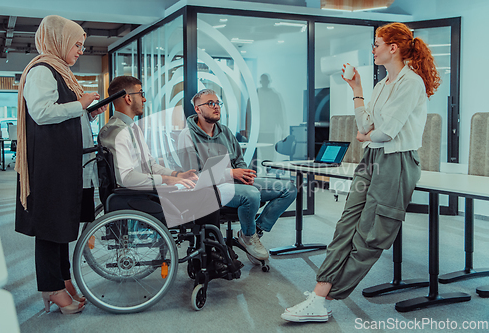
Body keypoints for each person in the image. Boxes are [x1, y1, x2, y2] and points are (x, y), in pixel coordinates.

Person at [281, 22, 441, 322]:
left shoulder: (411, 83)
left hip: (397, 161)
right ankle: (320, 292)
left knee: (370, 235)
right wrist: (357, 90)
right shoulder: (382, 85)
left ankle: (323, 296)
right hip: (372, 158)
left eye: (377, 43)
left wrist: (369, 135)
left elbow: (387, 132)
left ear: (392, 47)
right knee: (346, 227)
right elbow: (367, 126)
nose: (373, 49)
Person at [98, 76, 241, 272]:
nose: (144, 99)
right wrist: (168, 179)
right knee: (208, 194)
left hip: (147, 189)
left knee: (205, 189)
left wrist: (177, 174)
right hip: (137, 196)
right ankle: (210, 256)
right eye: (141, 94)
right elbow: (126, 177)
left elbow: (150, 165)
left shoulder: (131, 129)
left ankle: (210, 253)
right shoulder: (116, 131)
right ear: (128, 98)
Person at [15, 15, 108, 314]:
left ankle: (62, 278)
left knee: (62, 225)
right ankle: (51, 288)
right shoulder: (43, 70)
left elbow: (62, 117)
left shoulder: (62, 72)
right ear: (59, 41)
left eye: (82, 45)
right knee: (50, 227)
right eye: (77, 44)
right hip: (50, 165)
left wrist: (89, 113)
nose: (81, 50)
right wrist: (80, 105)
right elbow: (41, 113)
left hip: (63, 162)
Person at [178, 88, 297, 261]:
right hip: (209, 189)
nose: (216, 107)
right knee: (252, 194)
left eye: (218, 103)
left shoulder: (224, 131)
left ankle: (252, 232)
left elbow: (238, 159)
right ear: (198, 109)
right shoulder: (187, 136)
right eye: (210, 103)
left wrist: (245, 175)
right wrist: (231, 173)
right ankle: (249, 237)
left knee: (289, 188)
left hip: (234, 182)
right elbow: (195, 175)